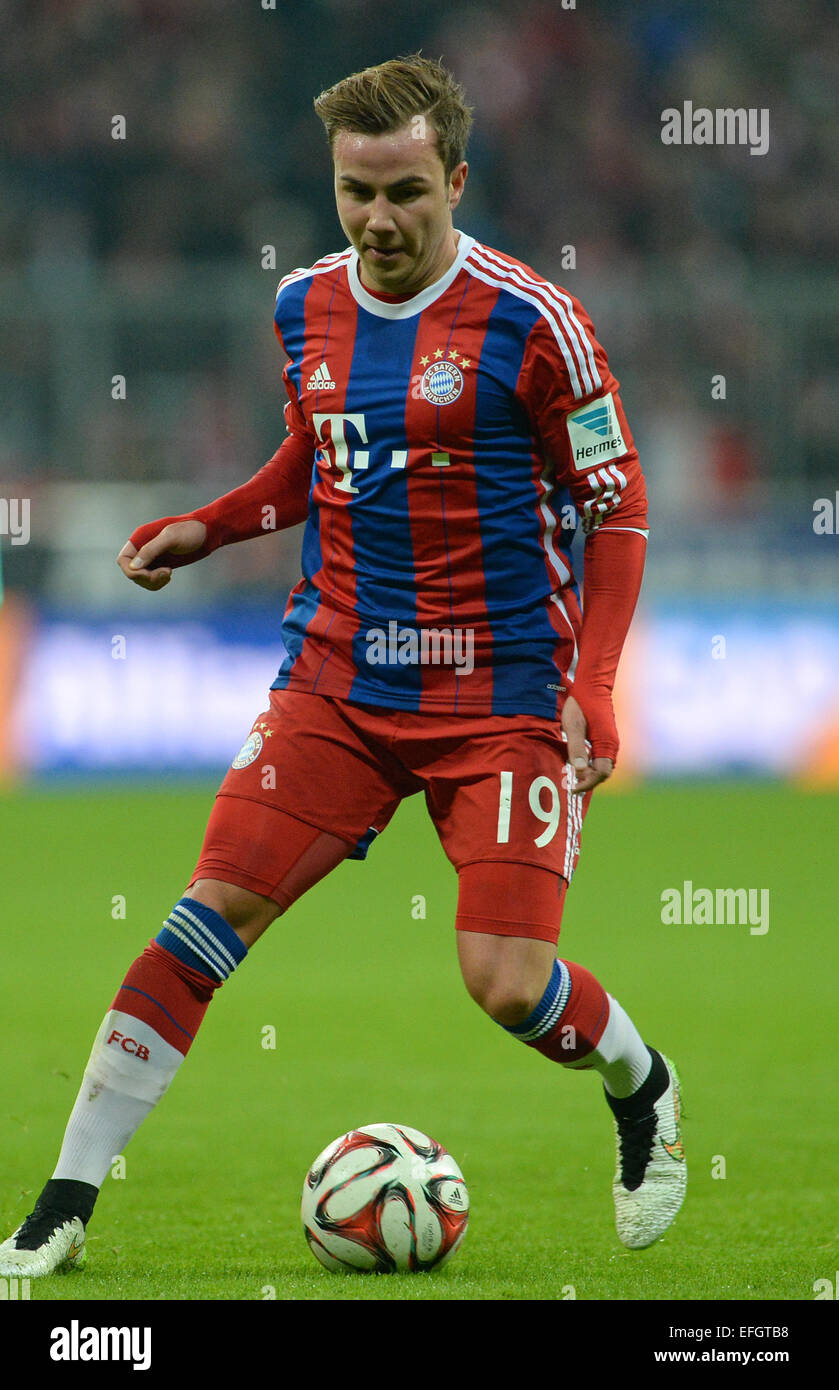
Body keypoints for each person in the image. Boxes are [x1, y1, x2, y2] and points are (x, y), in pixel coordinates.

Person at [0, 53, 685, 1278]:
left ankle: (640, 1083)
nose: (378, 219)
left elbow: (616, 507)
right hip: (338, 683)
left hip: (503, 698)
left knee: (505, 982)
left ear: (456, 181)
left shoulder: (536, 322)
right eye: (355, 192)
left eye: (405, 192)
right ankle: (64, 1199)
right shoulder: (302, 306)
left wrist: (590, 687)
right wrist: (211, 524)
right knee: (203, 921)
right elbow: (313, 460)